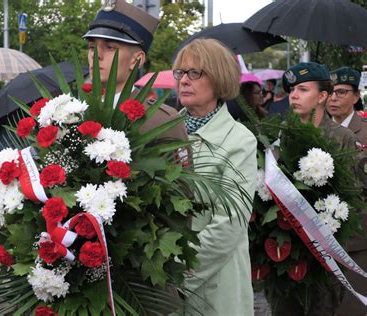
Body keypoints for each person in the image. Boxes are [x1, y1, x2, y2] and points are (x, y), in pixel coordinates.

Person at [172, 38, 257, 315]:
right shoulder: (165, 131)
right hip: (162, 288)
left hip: (217, 286)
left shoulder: (239, 140)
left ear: (219, 79)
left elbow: (229, 224)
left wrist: (178, 275)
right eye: (180, 73)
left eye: (195, 73)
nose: (184, 80)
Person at [274, 62, 360, 315]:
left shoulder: (342, 139)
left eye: (303, 89)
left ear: (323, 96)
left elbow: (354, 198)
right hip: (286, 249)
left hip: (327, 252)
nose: (294, 95)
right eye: (292, 89)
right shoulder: (280, 134)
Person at [82, 0, 187, 140]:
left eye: (110, 47)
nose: (97, 56)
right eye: (92, 47)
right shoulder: (74, 113)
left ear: (136, 60)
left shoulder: (161, 121)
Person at [327, 66, 367, 315]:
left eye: (341, 92)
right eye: (330, 92)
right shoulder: (314, 128)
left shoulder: (364, 129)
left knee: (353, 306)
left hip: (358, 233)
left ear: (355, 95)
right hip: (319, 234)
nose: (334, 98)